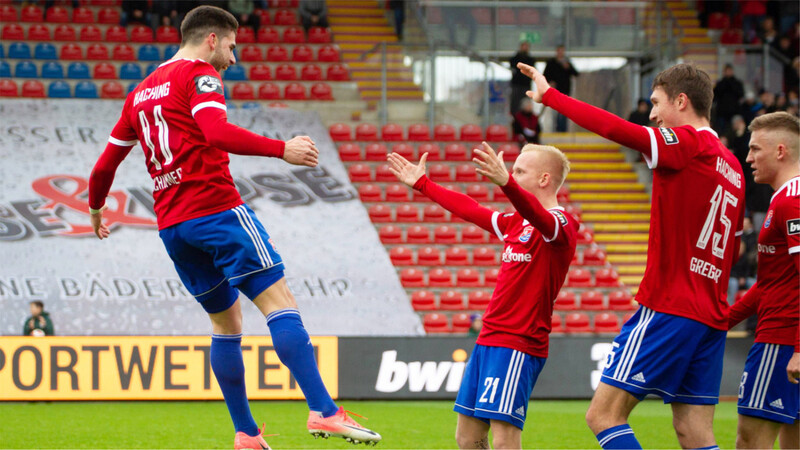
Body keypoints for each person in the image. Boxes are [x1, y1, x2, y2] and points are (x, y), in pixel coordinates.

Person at [87, 6, 380, 449]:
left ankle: (245, 433)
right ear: (211, 39)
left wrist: (95, 210)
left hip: (173, 227)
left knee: (226, 325)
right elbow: (216, 132)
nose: (233, 57)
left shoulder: (140, 94)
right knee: (279, 301)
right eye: (231, 45)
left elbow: (104, 166)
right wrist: (282, 149)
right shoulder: (199, 75)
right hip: (216, 210)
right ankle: (323, 410)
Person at [516, 61, 746, 449]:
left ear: (682, 101)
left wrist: (551, 96)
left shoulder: (689, 144)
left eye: (656, 103)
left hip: (671, 304)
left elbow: (616, 130)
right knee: (695, 431)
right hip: (711, 314)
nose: (652, 114)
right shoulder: (735, 167)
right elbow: (735, 248)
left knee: (603, 415)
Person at [388, 142, 577, 449]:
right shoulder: (516, 223)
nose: (510, 173)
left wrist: (507, 183)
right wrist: (423, 184)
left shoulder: (561, 224)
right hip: (488, 339)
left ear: (544, 179)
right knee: (467, 437)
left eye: (519, 170)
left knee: (504, 440)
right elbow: (471, 209)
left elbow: (541, 218)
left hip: (518, 342)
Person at [728, 111, 799, 449]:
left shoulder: (792, 200)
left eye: (756, 149)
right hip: (786, 338)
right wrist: (723, 319)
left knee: (750, 442)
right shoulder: (783, 198)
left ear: (781, 151)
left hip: (781, 341)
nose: (748, 157)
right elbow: (772, 281)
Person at [542, 46, 578, 132]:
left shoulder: (567, 62)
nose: (561, 53)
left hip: (565, 91)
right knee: (555, 112)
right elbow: (545, 76)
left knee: (564, 111)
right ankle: (555, 129)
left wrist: (568, 67)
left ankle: (563, 130)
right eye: (559, 51)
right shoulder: (551, 63)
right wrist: (550, 82)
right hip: (554, 92)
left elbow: (576, 73)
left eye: (562, 51)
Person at [713, 64, 744, 133]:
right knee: (721, 131)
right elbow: (715, 96)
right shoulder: (720, 84)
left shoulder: (737, 83)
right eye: (727, 71)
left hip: (734, 111)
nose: (728, 72)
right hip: (722, 112)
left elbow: (741, 94)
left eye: (730, 71)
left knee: (734, 131)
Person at [509, 41, 536, 115]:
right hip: (516, 85)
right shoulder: (515, 59)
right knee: (515, 104)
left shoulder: (531, 60)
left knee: (526, 104)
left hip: (526, 85)